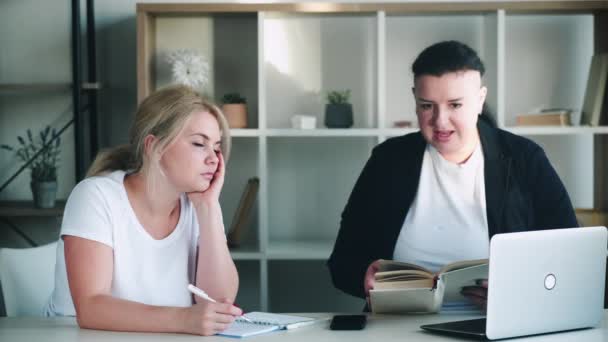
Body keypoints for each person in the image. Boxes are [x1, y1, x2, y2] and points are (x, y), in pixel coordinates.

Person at [327, 40, 577, 310]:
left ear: (480, 100)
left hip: (494, 325)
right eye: (427, 106)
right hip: (396, 324)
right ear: (415, 99)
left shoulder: (525, 159)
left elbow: (569, 258)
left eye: (455, 105)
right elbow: (342, 262)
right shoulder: (387, 160)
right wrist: (362, 278)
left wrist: (519, 291)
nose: (440, 121)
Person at [44, 85, 243, 336]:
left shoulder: (200, 205)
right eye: (198, 144)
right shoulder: (95, 196)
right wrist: (184, 320)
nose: (214, 159)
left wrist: (208, 208)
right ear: (154, 147)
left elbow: (218, 303)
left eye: (216, 146)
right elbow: (91, 307)